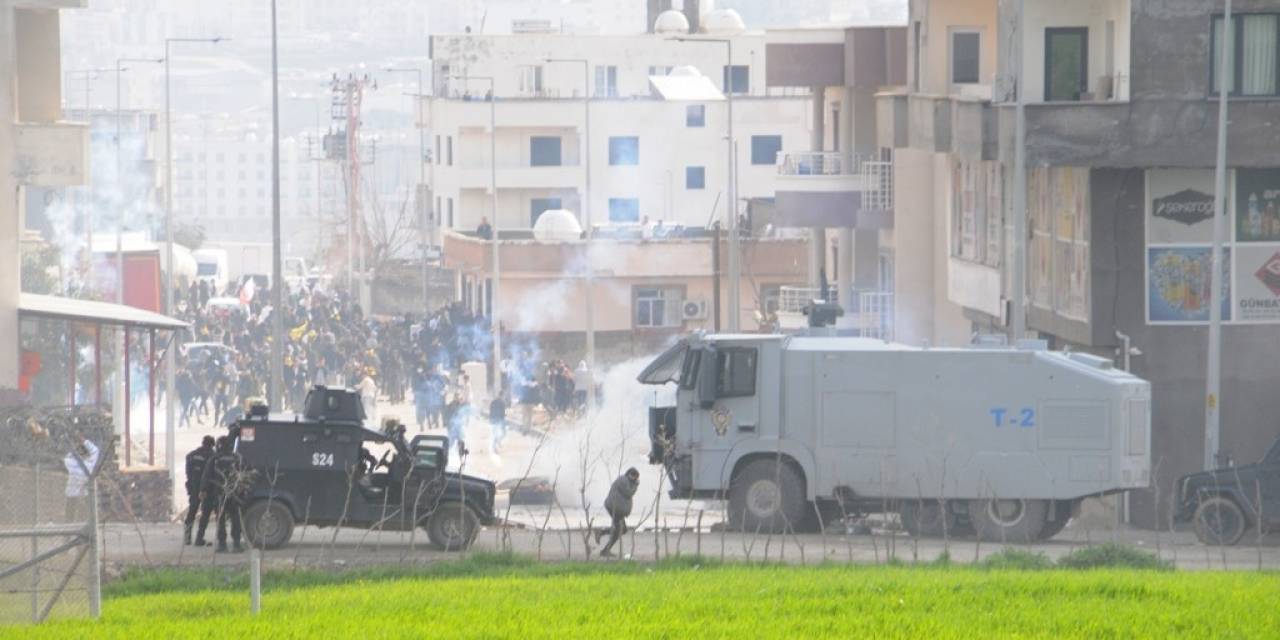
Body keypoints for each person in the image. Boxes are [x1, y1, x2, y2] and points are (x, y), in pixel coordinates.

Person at [201, 436, 246, 553]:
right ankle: (236, 544)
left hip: (219, 494)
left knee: (220, 519)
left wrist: (203, 490)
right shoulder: (237, 458)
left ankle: (222, 544)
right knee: (235, 518)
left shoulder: (215, 459)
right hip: (234, 494)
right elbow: (244, 475)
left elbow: (207, 476)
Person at [595, 467, 640, 558]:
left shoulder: (627, 481)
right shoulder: (623, 480)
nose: (634, 479)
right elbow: (628, 493)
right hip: (614, 508)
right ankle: (604, 546)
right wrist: (635, 485)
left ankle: (602, 535)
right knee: (620, 530)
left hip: (617, 509)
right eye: (633, 476)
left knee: (623, 530)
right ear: (629, 474)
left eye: (635, 477)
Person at [183, 436, 217, 546]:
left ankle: (187, 538)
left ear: (202, 443)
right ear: (212, 445)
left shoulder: (191, 455)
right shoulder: (213, 456)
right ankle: (199, 538)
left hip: (194, 487)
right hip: (207, 488)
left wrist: (191, 482)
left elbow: (188, 472)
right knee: (205, 513)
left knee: (192, 511)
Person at [63, 433, 100, 522]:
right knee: (82, 495)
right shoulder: (91, 450)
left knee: (74, 496)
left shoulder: (91, 448)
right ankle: (91, 519)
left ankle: (90, 519)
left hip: (81, 474)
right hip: (85, 475)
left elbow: (68, 460)